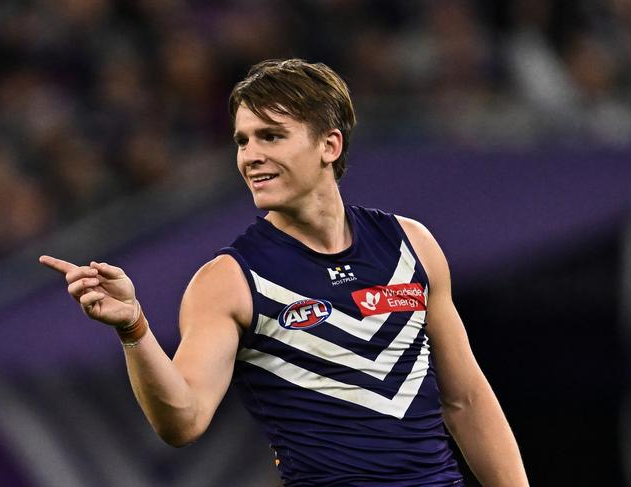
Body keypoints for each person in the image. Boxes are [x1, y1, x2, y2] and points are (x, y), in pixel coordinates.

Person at [40, 59, 529, 486]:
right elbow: (183, 421)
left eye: (271, 136)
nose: (251, 156)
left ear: (329, 145)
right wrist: (134, 329)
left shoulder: (411, 246)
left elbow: (465, 399)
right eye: (242, 140)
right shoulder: (230, 280)